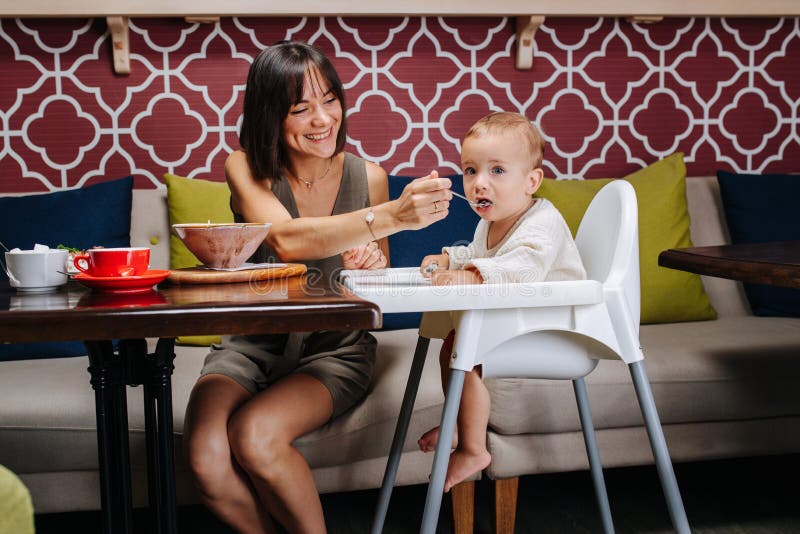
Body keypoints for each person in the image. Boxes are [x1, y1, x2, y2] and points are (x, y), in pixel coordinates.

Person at [183, 41, 453, 534]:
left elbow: (375, 287)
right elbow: (284, 240)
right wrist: (391, 216)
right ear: (270, 116)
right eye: (301, 108)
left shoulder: (369, 177)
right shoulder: (244, 168)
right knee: (203, 457)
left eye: (330, 100)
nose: (323, 119)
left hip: (335, 350)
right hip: (251, 343)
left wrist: (369, 262)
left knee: (255, 436)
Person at [417, 111, 587, 492]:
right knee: (451, 348)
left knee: (466, 349)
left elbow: (522, 268)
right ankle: (460, 428)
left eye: (496, 171)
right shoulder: (489, 223)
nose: (479, 183)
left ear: (532, 181)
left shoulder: (543, 221)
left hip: (555, 328)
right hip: (521, 320)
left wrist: (470, 274)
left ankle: (474, 450)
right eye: (470, 170)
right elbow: (483, 257)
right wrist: (450, 259)